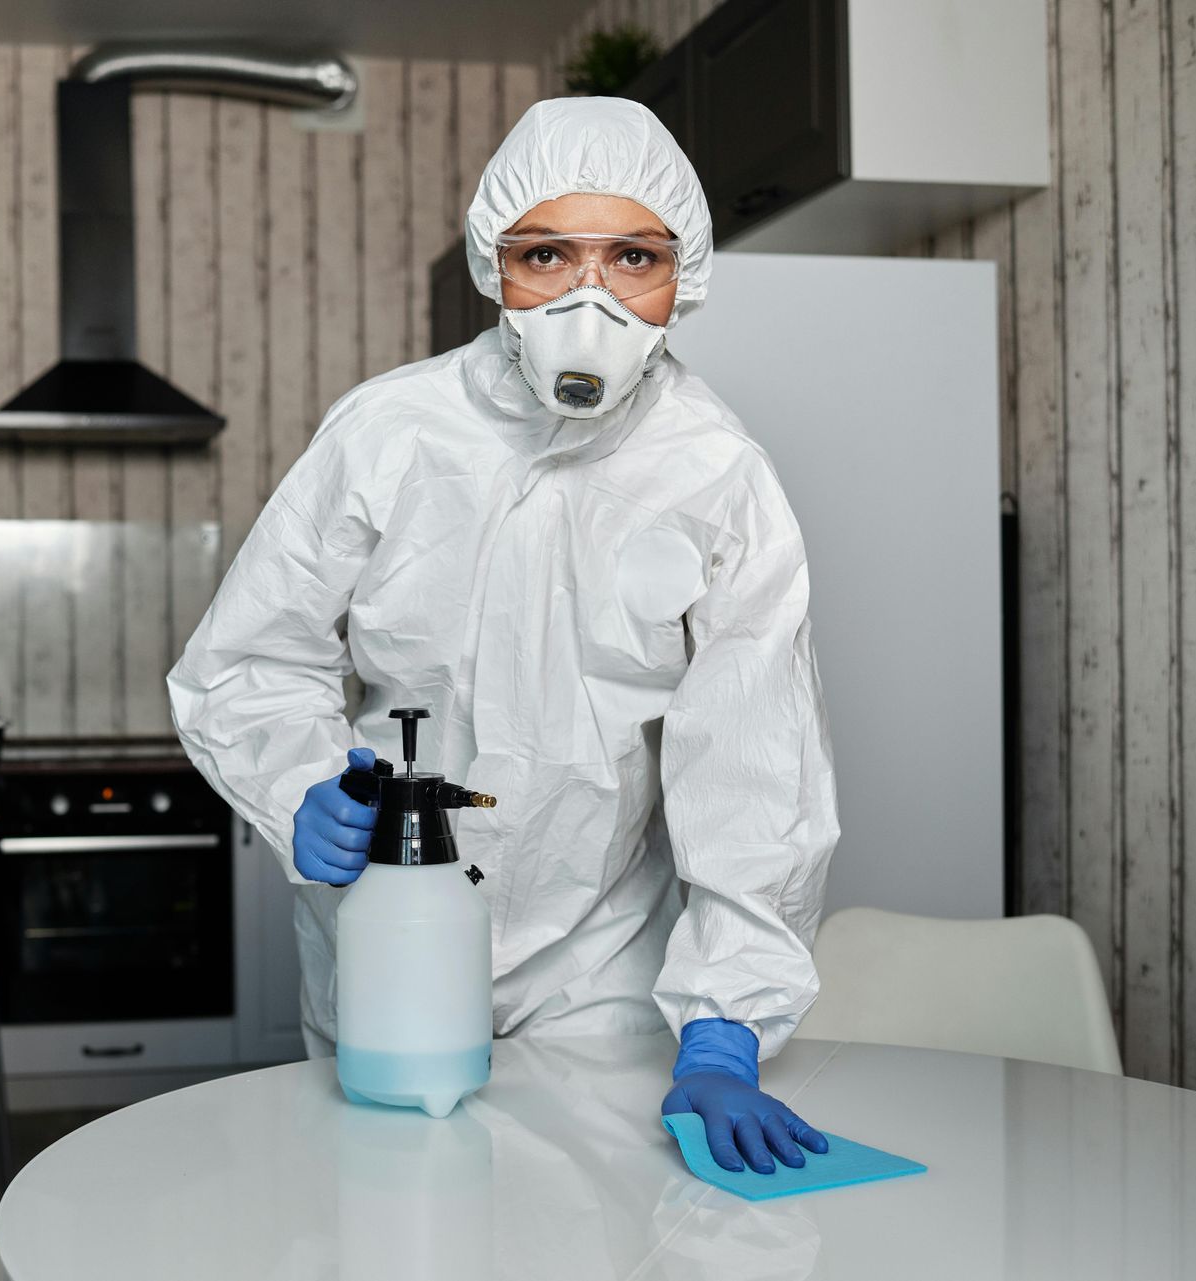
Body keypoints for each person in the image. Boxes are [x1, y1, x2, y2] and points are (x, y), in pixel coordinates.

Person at [167, 96, 838, 1177]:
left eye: (631, 256)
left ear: (687, 274)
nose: (589, 300)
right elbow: (251, 657)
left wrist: (725, 1019)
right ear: (494, 269)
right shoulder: (389, 435)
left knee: (592, 1238)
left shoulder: (719, 478)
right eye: (545, 256)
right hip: (385, 937)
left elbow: (757, 764)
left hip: (603, 974)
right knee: (395, 1222)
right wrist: (298, 788)